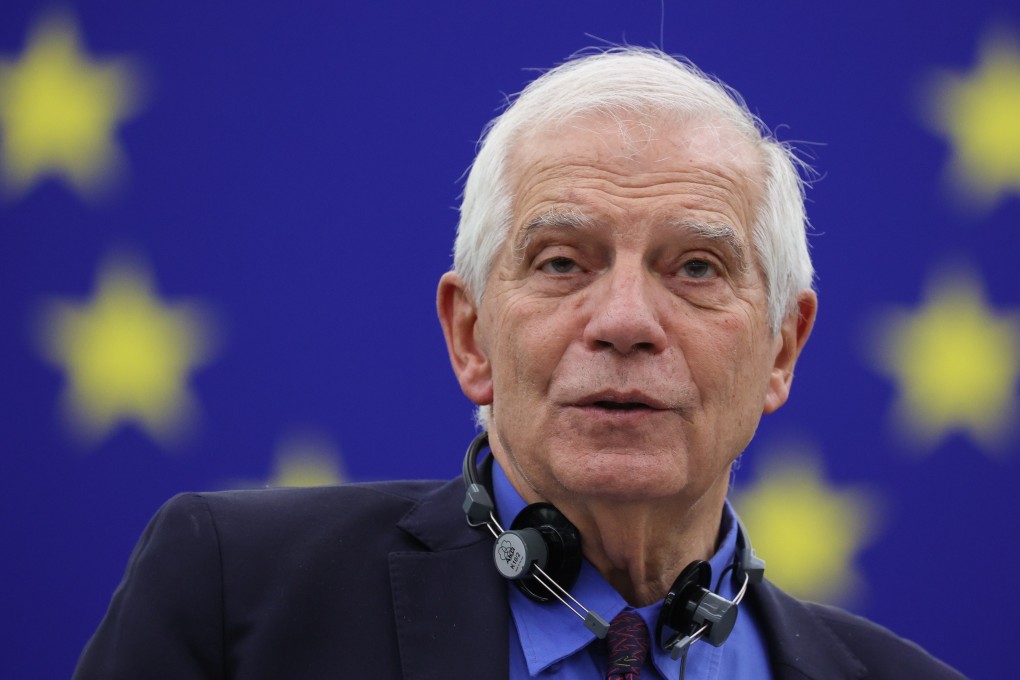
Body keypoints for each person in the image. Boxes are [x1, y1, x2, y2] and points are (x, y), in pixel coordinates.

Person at [74, 47, 964, 679]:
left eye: (695, 267)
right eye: (561, 262)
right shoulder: (236, 599)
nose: (623, 322)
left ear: (781, 350)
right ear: (470, 337)